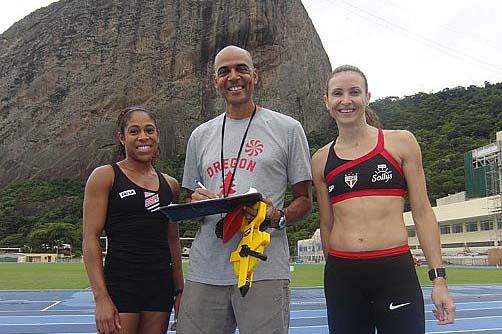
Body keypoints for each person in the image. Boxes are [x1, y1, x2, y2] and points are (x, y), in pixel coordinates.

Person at [177, 45, 312, 334]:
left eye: (241, 69)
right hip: (206, 269)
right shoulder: (200, 135)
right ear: (215, 81)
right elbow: (189, 195)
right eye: (224, 71)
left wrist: (276, 216)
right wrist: (196, 199)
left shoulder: (288, 129)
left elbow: (304, 199)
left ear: (255, 75)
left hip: (263, 267)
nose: (233, 77)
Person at [311, 65, 456, 334]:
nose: (346, 100)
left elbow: (423, 212)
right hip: (343, 274)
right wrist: (338, 272)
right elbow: (327, 223)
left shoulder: (401, 143)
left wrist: (439, 279)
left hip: (394, 271)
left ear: (367, 96)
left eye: (354, 92)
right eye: (337, 93)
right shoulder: (320, 159)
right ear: (327, 102)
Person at [82, 107, 184, 334]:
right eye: (134, 131)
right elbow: (90, 238)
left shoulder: (170, 184)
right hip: (121, 285)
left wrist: (179, 292)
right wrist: (101, 298)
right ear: (122, 137)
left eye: (149, 130)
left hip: (159, 286)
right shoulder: (105, 176)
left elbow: (173, 241)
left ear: (157, 134)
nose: (143, 138)